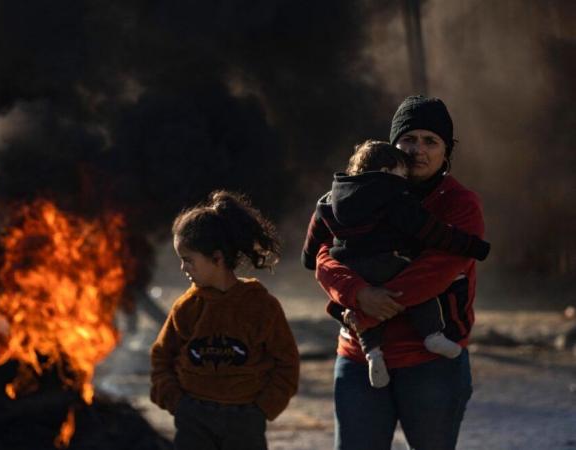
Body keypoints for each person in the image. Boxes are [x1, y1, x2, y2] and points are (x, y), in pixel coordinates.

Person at [315, 95, 484, 450]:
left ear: (445, 151)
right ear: (392, 144)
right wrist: (358, 293)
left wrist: (364, 311)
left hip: (431, 364)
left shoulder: (459, 205)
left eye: (430, 141)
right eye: (408, 139)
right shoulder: (356, 194)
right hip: (359, 360)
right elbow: (324, 256)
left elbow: (433, 273)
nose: (417, 150)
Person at [301, 140, 489, 388]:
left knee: (363, 307)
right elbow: (430, 231)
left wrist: (309, 258)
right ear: (387, 172)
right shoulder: (393, 196)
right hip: (385, 263)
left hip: (350, 267)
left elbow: (313, 247)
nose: (405, 179)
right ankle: (432, 334)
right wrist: (474, 246)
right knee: (421, 290)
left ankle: (373, 354)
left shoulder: (329, 199)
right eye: (401, 173)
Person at [150, 190, 299, 450]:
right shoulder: (186, 307)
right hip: (193, 420)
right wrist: (178, 403)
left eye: (189, 261)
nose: (184, 269)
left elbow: (286, 363)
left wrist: (261, 409)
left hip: (244, 422)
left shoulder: (260, 306)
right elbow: (162, 357)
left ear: (217, 258)